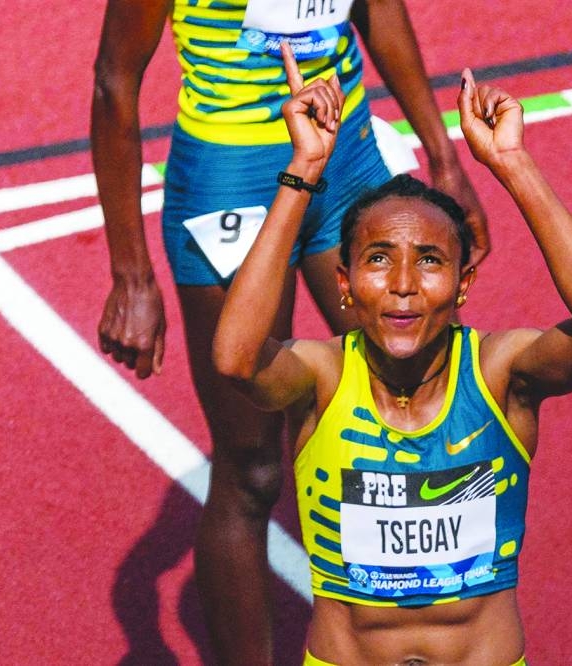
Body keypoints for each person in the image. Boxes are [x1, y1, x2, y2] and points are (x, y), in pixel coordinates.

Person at [91, 1, 488, 661]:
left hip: (350, 155)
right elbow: (114, 80)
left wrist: (443, 159)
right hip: (231, 178)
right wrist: (131, 274)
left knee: (425, 415)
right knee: (252, 467)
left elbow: (378, 8)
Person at [213, 43, 572, 665]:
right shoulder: (324, 377)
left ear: (463, 283)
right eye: (379, 259)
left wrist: (511, 163)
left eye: (430, 260)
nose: (404, 284)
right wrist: (304, 169)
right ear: (345, 285)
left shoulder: (498, 375)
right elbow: (236, 359)